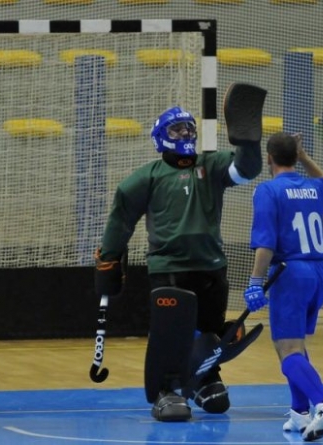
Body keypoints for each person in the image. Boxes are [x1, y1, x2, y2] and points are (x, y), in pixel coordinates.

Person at [94, 105, 262, 420]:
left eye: (188, 127)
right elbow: (121, 220)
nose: (185, 133)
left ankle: (205, 376)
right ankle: (166, 389)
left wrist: (248, 141)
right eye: (176, 129)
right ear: (160, 139)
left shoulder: (212, 165)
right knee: (171, 335)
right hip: (170, 269)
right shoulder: (146, 178)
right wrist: (109, 258)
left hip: (212, 266)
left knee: (210, 330)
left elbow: (246, 169)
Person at [243, 132, 323, 441]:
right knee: (294, 346)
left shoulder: (268, 190)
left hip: (290, 273)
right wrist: (305, 156)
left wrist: (255, 282)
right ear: (295, 156)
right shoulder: (314, 188)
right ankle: (300, 414)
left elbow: (265, 244)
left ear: (269, 159)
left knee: (287, 350)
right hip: (319, 272)